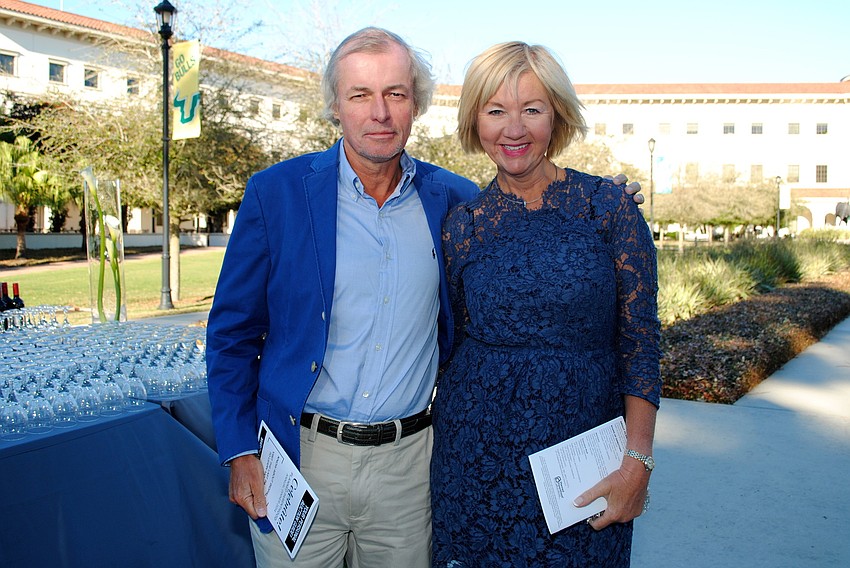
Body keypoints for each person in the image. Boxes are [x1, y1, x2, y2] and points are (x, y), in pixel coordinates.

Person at [206, 28, 642, 568]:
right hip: (299, 459)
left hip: (409, 470)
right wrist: (239, 450)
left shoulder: (454, 202)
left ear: (416, 104)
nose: (380, 112)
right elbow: (231, 334)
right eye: (360, 95)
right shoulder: (276, 194)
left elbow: (531, 234)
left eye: (395, 93)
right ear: (335, 106)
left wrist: (606, 202)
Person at [430, 41, 661, 567]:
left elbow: (641, 344)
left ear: (556, 116)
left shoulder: (609, 209)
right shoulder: (462, 226)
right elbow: (452, 341)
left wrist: (638, 461)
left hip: (581, 466)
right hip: (473, 459)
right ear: (475, 121)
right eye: (495, 111)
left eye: (531, 109)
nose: (514, 129)